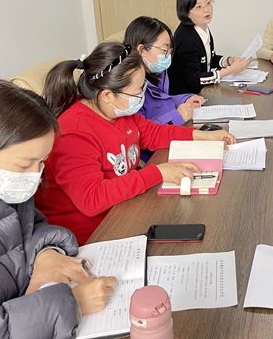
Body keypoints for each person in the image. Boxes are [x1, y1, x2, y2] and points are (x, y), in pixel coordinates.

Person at [36, 42, 235, 244]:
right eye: (138, 91)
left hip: (124, 209)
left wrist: (201, 135)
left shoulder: (117, 111)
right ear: (108, 95)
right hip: (93, 235)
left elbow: (153, 133)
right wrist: (158, 173)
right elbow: (92, 199)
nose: (141, 96)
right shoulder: (73, 133)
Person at [0, 80, 116, 339]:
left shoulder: (2, 189)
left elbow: (33, 228)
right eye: (24, 165)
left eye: (42, 162)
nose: (35, 176)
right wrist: (72, 304)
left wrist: (45, 253)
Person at [167, 0, 251, 94]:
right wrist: (229, 70)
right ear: (186, 12)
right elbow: (195, 80)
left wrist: (228, 61)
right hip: (185, 97)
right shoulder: (185, 38)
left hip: (201, 91)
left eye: (208, 3)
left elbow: (209, 59)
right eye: (199, 7)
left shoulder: (202, 28)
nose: (207, 9)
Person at [124, 16, 205, 125]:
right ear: (142, 50)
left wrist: (185, 99)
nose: (168, 56)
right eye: (164, 50)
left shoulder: (156, 72)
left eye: (169, 50)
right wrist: (177, 117)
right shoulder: (128, 86)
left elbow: (161, 101)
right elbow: (141, 130)